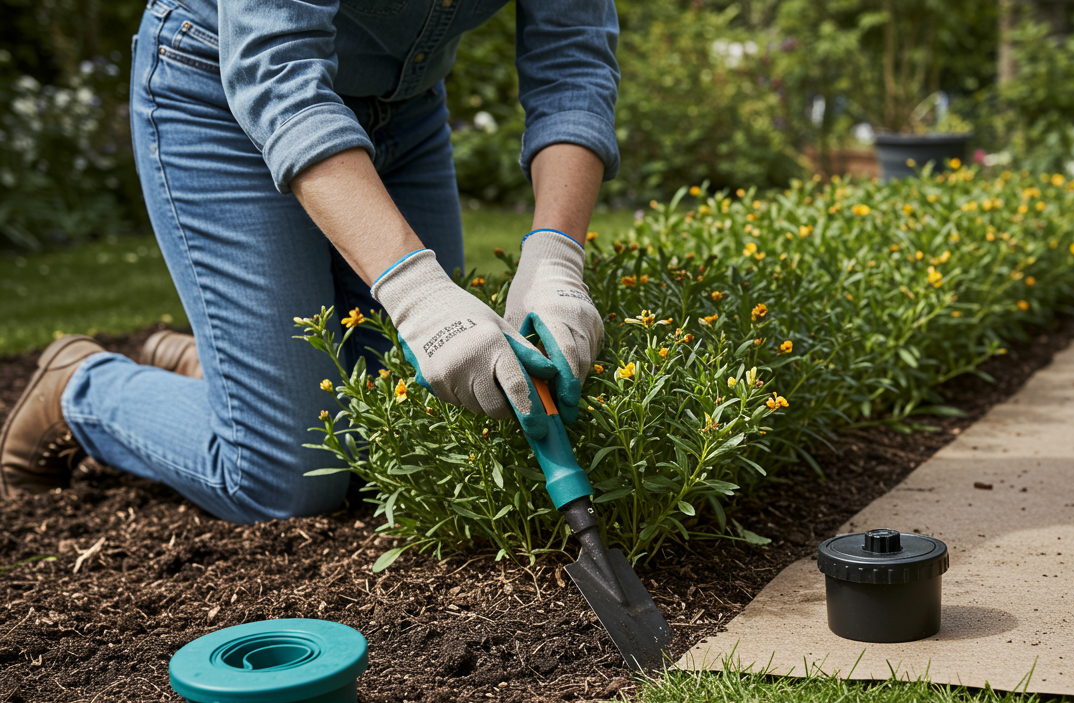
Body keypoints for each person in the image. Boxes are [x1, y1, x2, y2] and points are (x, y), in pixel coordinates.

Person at [0, 0, 616, 522]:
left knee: (409, 443)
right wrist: (417, 291)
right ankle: (82, 389)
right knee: (288, 478)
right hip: (223, 95)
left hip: (403, 113)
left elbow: (572, 61)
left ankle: (235, 374)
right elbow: (277, 64)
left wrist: (554, 256)